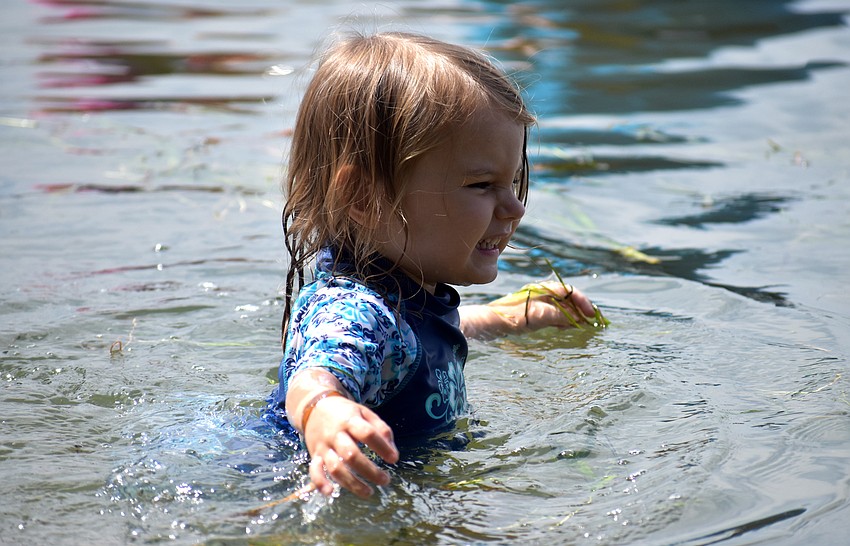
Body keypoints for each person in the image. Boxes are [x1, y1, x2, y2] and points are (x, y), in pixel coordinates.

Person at [266, 31, 602, 499]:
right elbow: (316, 371)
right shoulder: (353, 313)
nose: (515, 208)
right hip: (290, 491)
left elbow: (411, 340)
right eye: (483, 185)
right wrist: (324, 410)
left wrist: (504, 318)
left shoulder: (396, 301)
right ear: (364, 197)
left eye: (515, 181)